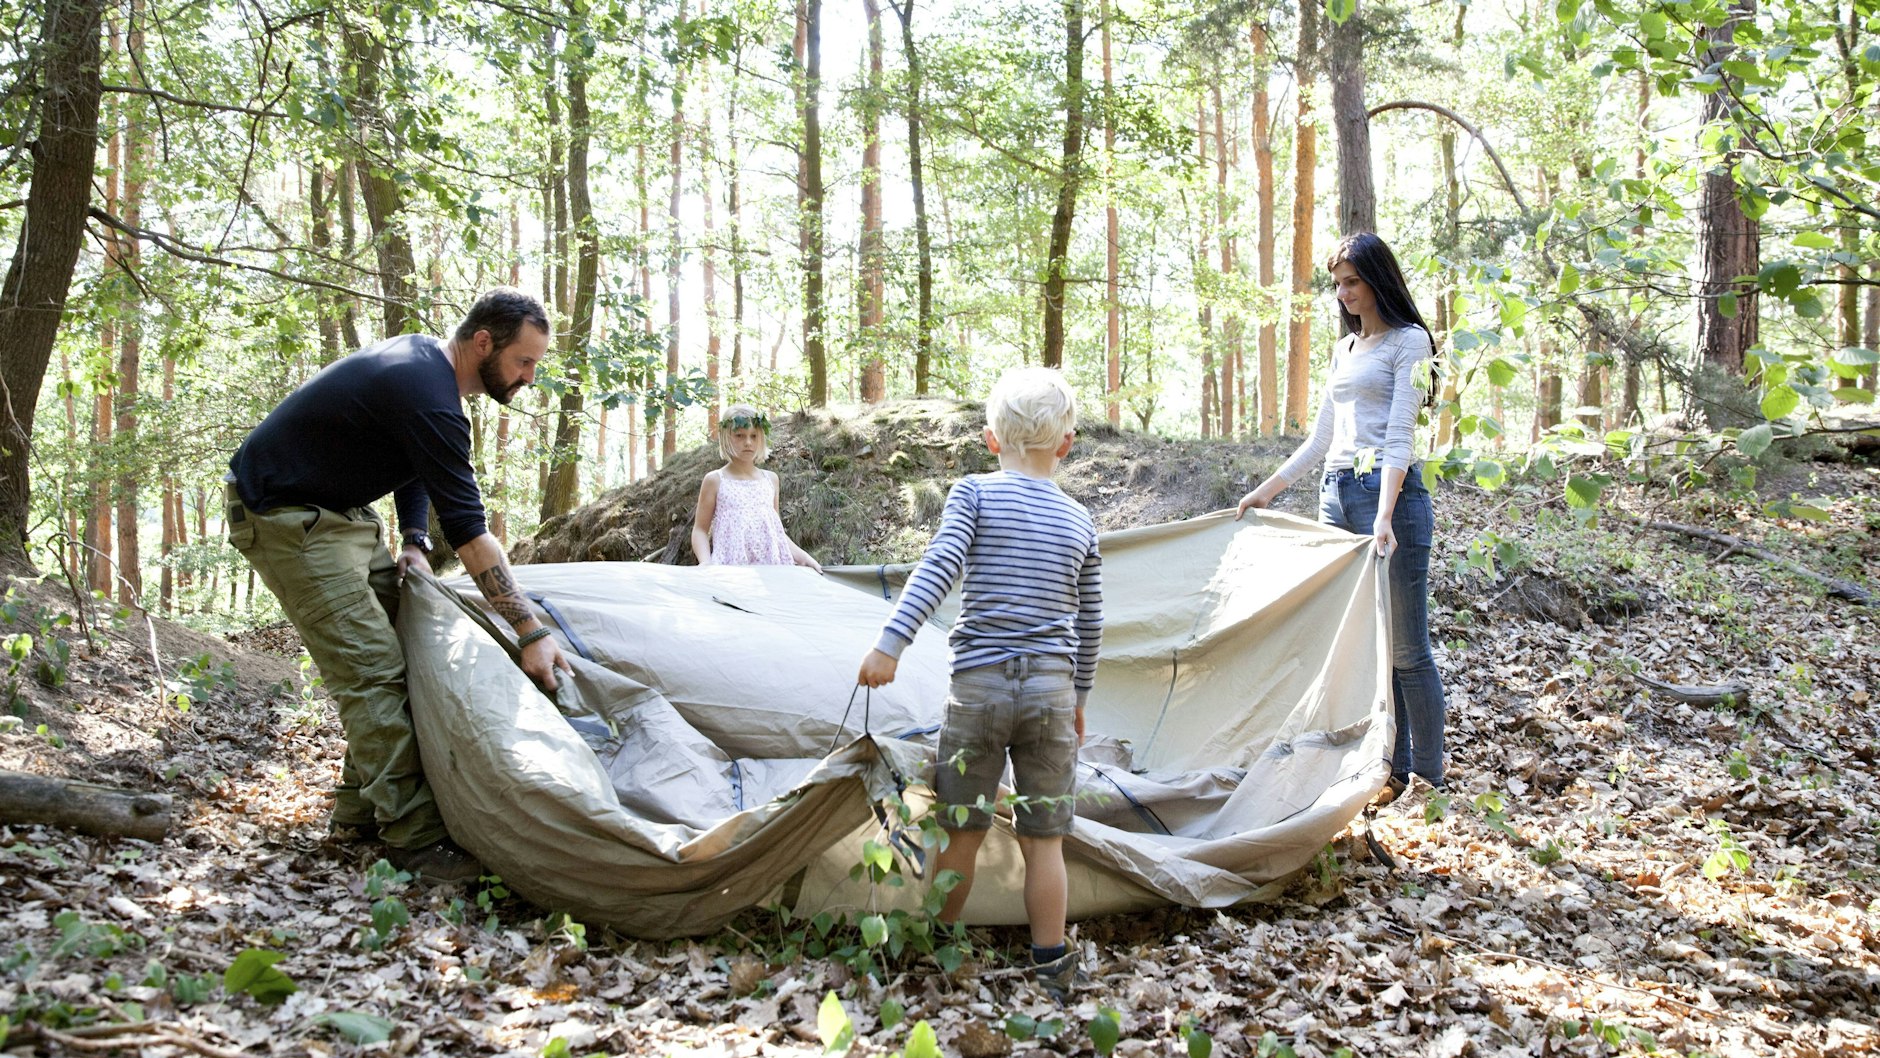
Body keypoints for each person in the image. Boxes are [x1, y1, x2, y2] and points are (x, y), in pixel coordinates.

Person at [226, 287, 573, 883]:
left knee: (408, 647)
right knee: (373, 671)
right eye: (524, 361)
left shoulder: (426, 374)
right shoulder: (427, 394)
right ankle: (415, 840)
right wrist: (531, 631)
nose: (529, 378)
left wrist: (413, 538)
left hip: (342, 516)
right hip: (286, 518)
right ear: (483, 343)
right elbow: (470, 535)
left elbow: (412, 463)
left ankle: (358, 812)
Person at [856, 367, 1103, 1001]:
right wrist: (1078, 698)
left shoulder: (974, 494)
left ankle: (939, 951)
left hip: (980, 691)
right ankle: (1052, 963)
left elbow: (938, 567)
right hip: (1051, 696)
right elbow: (1091, 621)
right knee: (1045, 841)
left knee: (963, 830)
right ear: (1067, 443)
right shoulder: (1080, 519)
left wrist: (891, 644)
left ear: (991, 440)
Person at [1235, 231, 1448, 793]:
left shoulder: (1409, 342)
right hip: (1336, 494)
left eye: (1352, 282)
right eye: (1337, 284)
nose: (1343, 294)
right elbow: (1322, 438)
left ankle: (1427, 780)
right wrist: (1267, 490)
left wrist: (1384, 514)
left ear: (1378, 280)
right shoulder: (1345, 349)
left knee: (1407, 649)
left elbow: (1399, 437)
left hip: (1391, 499)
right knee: (1366, 647)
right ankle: (1388, 769)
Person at [690, 405, 821, 571]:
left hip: (771, 570)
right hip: (731, 570)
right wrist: (705, 562)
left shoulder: (770, 480)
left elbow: (776, 532)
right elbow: (700, 530)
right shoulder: (715, 480)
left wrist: (803, 557)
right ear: (726, 437)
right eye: (739, 435)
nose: (748, 442)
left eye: (754, 436)